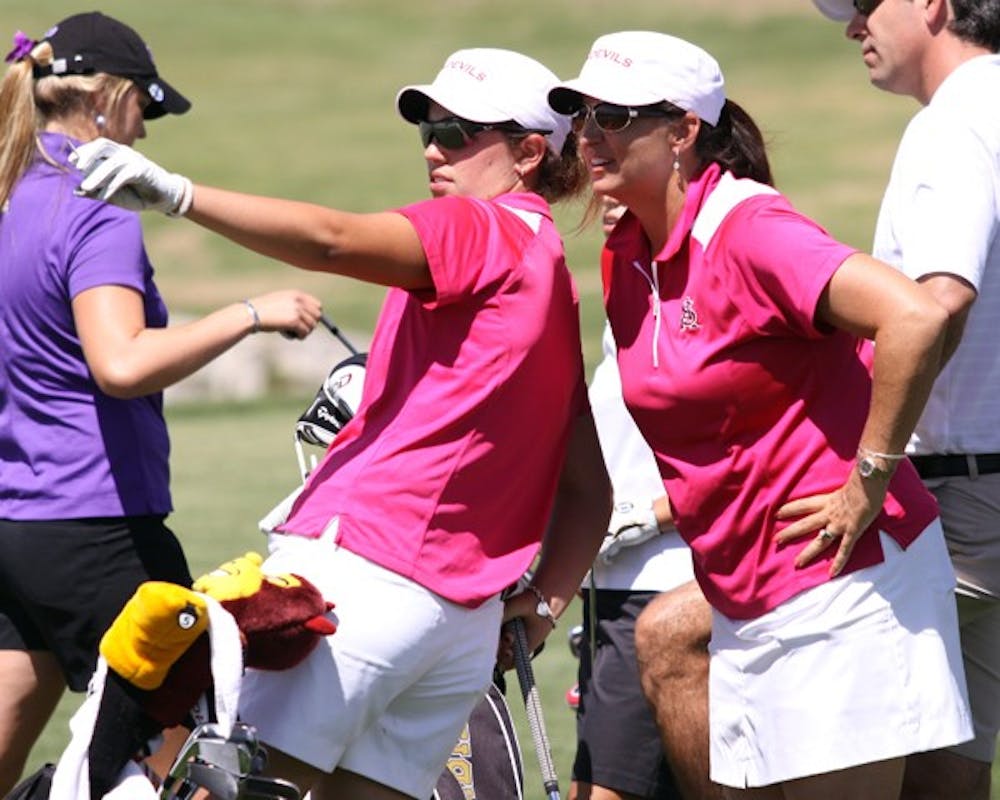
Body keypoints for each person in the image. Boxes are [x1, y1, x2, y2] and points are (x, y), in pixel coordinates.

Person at [72, 46, 611, 800]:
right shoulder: (551, 272)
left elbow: (334, 240)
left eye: (459, 132)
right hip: (458, 626)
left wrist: (181, 196)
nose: (433, 145)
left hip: (362, 579)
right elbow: (589, 491)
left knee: (227, 789)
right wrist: (544, 607)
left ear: (527, 152)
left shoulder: (480, 228)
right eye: (427, 125)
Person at [548, 29, 972, 798]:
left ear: (681, 132)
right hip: (746, 595)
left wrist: (868, 478)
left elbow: (914, 317)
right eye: (580, 114)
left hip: (846, 587)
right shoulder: (628, 256)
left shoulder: (749, 229)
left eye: (614, 115)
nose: (589, 135)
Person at [0, 12, 322, 796]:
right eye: (146, 108)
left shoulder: (11, 193)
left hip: (17, 530)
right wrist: (249, 313)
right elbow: (121, 363)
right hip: (102, 532)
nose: (144, 136)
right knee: (192, 764)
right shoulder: (96, 206)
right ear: (109, 101)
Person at [811, 2, 1000, 798]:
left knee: (707, 651)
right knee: (957, 758)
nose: (853, 26)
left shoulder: (952, 123)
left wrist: (870, 472)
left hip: (955, 500)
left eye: (862, 4)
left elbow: (938, 305)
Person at [571, 315, 692, 800]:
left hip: (669, 584)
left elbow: (761, 449)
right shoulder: (630, 284)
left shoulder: (709, 283)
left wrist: (652, 515)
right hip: (612, 586)